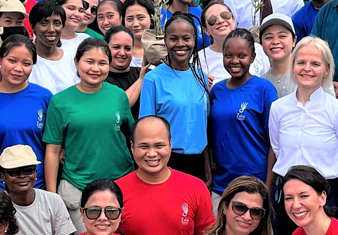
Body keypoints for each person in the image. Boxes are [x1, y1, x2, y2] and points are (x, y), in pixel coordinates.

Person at [267, 37, 338, 235]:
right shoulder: (278, 108)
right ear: (293, 66)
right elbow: (278, 148)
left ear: (326, 70)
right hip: (286, 195)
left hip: (326, 195)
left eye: (315, 63)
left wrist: (331, 184)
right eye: (301, 62)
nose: (307, 68)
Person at [44, 38, 135, 232]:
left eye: (102, 63)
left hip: (121, 183)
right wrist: (52, 197)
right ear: (76, 62)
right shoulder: (60, 102)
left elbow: (131, 136)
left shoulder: (119, 96)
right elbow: (52, 151)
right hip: (78, 186)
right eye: (89, 62)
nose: (95, 68)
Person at [0, 34, 52, 191]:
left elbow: (52, 148)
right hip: (1, 189)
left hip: (38, 188)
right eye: (12, 60)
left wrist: (50, 193)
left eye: (26, 63)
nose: (18, 69)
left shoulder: (44, 97)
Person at [209, 30, 278, 208]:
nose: (235, 61)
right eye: (228, 55)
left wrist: (267, 187)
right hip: (222, 184)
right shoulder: (217, 90)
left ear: (253, 57)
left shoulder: (264, 89)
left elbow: (275, 143)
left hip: (255, 183)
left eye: (242, 56)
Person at [140, 13, 211, 183]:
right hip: (167, 161)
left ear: (194, 40)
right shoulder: (153, 79)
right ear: (165, 41)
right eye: (173, 38)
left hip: (198, 162)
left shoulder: (201, 77)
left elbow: (203, 126)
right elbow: (146, 129)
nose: (180, 44)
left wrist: (207, 167)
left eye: (186, 38)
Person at [0, 145, 75, 235]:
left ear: (36, 172)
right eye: (14, 171)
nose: (22, 175)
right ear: (2, 176)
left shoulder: (53, 200)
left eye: (29, 169)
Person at [198, 2, 269, 86]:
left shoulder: (256, 48)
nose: (220, 21)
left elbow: (268, 80)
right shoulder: (199, 59)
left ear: (233, 20)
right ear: (205, 30)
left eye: (225, 15)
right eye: (212, 20)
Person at [28, 0, 78, 94]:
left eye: (57, 23)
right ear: (33, 26)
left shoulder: (72, 59)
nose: (51, 29)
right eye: (44, 23)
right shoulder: (25, 60)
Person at [104, 24, 148, 116]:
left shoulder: (145, 73)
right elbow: (119, 107)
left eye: (127, 48)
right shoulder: (100, 78)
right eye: (116, 47)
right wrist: (141, 79)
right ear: (106, 49)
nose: (122, 53)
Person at [122, 0, 154, 68]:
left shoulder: (161, 48)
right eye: (130, 19)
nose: (135, 24)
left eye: (140, 18)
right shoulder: (118, 51)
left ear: (151, 18)